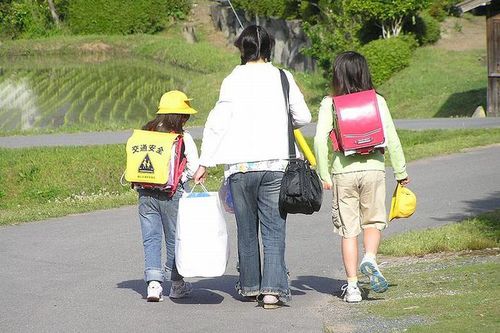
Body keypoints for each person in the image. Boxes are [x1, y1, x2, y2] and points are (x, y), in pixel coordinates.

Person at [193, 25, 311, 309]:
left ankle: (249, 287)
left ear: (242, 49)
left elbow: (217, 123)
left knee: (246, 229)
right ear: (269, 48)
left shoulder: (232, 80)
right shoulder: (283, 77)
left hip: (240, 167)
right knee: (273, 229)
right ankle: (272, 291)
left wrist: (204, 162)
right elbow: (304, 117)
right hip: (275, 165)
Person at [314, 51, 410, 303]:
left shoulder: (330, 103)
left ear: (337, 75)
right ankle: (370, 258)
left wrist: (323, 172)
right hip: (374, 169)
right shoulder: (377, 100)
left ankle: (353, 287)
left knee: (348, 230)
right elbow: (392, 137)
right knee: (373, 222)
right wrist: (401, 171)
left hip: (343, 172)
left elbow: (319, 139)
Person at [136, 90, 199, 302]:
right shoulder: (183, 137)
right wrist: (182, 179)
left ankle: (153, 285)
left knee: (151, 238)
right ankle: (177, 285)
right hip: (172, 194)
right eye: (185, 115)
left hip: (145, 192)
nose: (186, 119)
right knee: (175, 238)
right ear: (179, 116)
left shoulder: (147, 132)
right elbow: (194, 167)